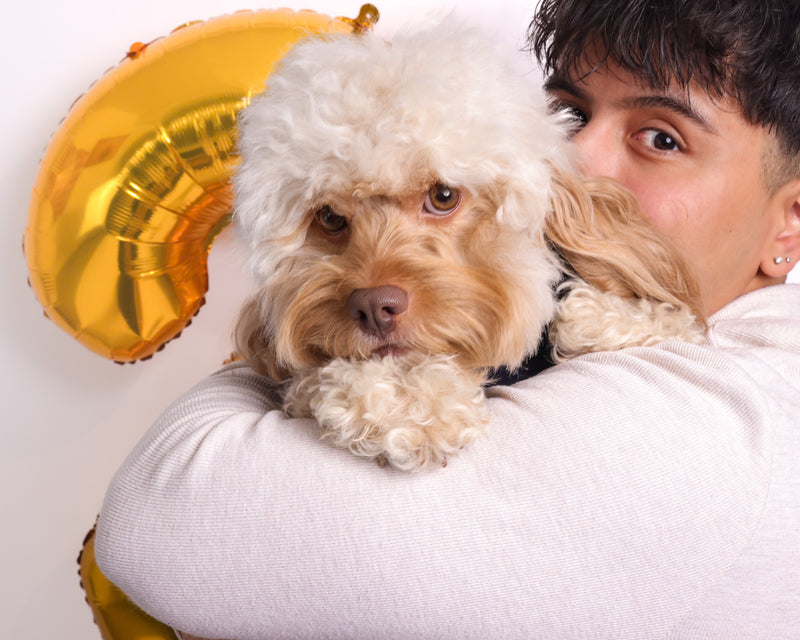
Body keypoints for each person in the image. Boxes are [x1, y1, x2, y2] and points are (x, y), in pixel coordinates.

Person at [94, 0, 800, 638]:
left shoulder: (715, 419)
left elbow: (163, 525)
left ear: (790, 224)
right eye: (570, 113)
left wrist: (283, 370)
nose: (574, 161)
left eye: (662, 138)